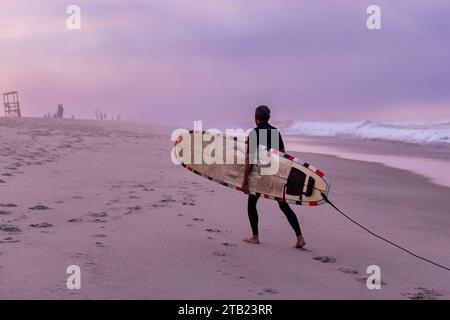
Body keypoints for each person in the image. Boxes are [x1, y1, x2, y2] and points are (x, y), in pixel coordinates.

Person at [241, 105, 306, 248]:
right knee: (284, 206)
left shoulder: (254, 133)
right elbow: (283, 156)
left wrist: (245, 180)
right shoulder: (275, 132)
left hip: (260, 176)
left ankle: (255, 236)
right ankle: (299, 237)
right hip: (275, 174)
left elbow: (250, 160)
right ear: (269, 118)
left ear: (255, 118)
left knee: (252, 204)